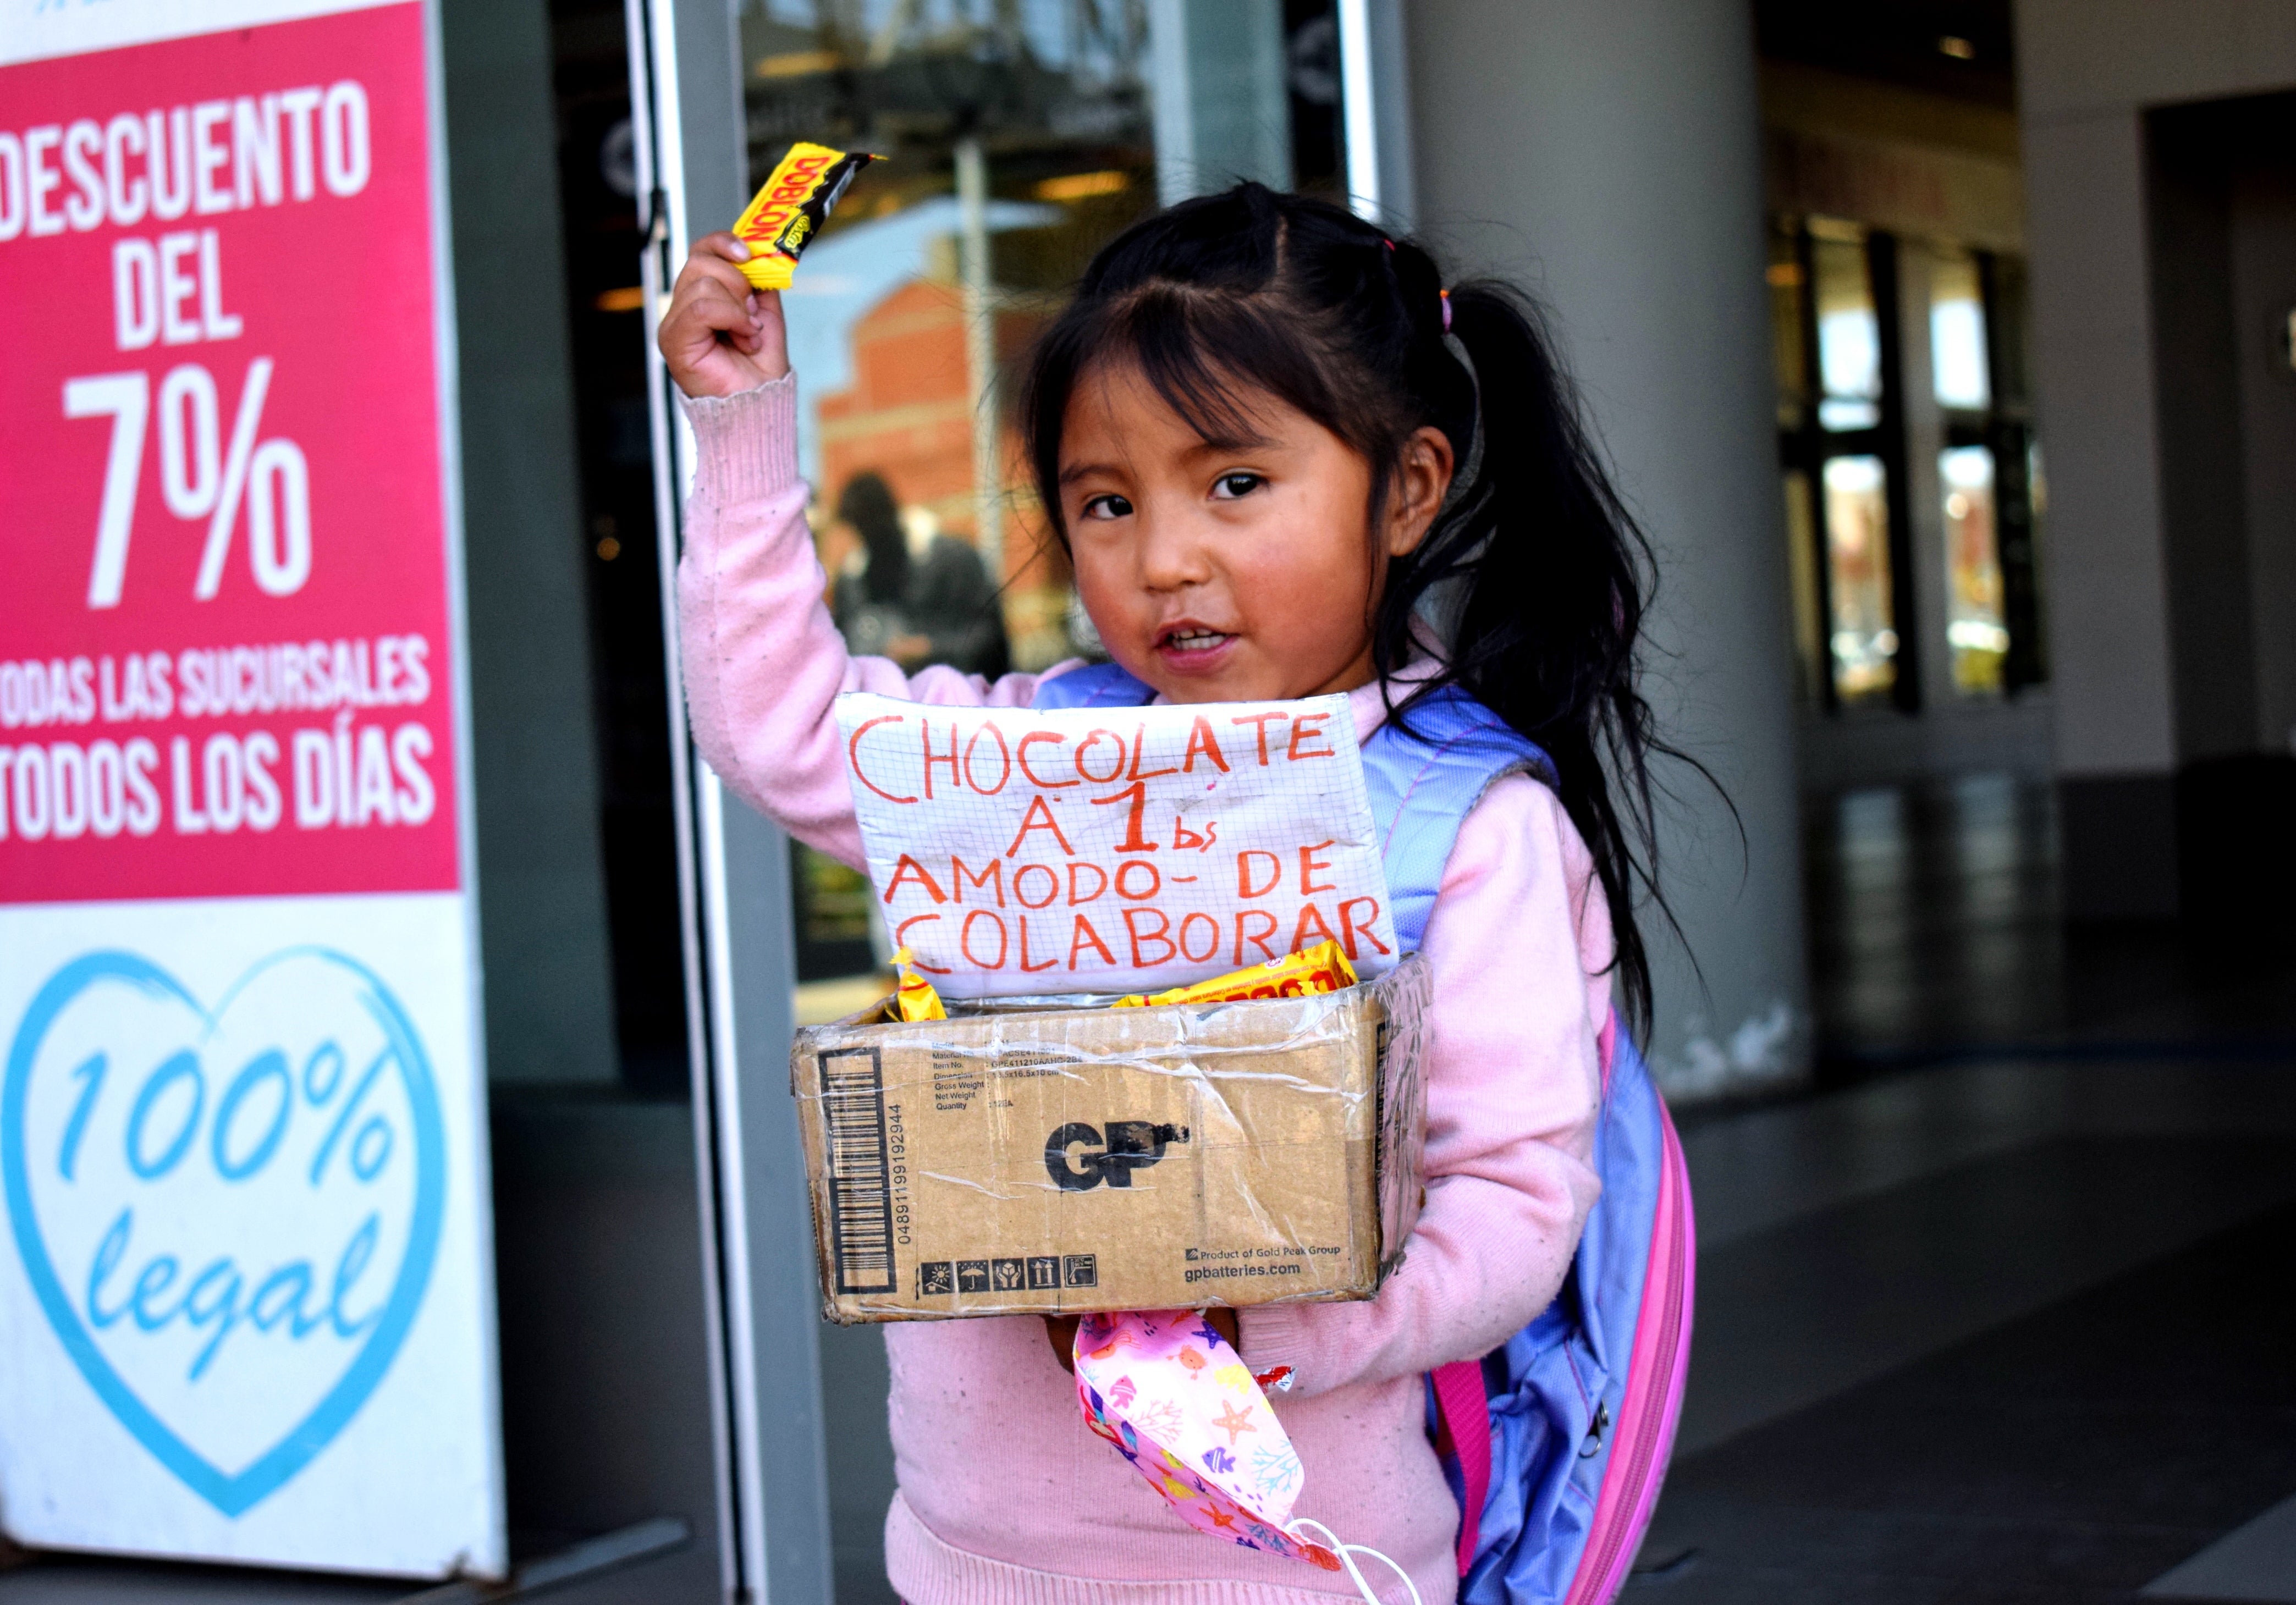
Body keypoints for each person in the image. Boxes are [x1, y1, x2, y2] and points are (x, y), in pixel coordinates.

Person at [661, 183, 1670, 1605]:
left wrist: (1278, 1321)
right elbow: (776, 724)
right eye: (1105, 501)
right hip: (966, 1559)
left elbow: (1511, 1198)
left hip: (1310, 1570)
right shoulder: (1031, 757)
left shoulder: (1464, 826)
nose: (1163, 557)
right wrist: (739, 428)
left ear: (1407, 488)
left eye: (1234, 483)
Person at [829, 468, 1012, 677]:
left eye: (872, 522)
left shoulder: (953, 561)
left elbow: (989, 638)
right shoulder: (853, 585)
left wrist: (930, 648)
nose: (870, 534)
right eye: (861, 526)